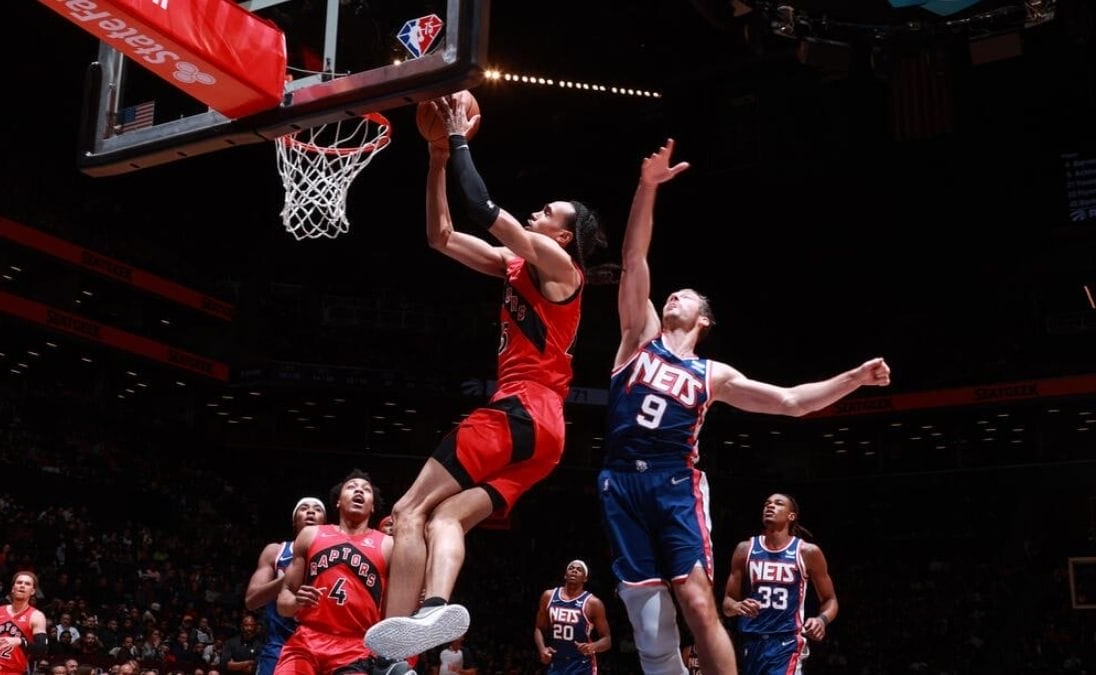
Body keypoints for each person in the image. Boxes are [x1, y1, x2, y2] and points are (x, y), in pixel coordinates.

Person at [599, 139, 889, 675]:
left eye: (683, 297)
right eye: (671, 295)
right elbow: (634, 258)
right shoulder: (638, 338)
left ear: (704, 319)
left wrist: (856, 378)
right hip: (619, 481)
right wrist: (647, 188)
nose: (672, 299)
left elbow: (791, 402)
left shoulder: (714, 375)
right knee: (647, 616)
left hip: (672, 483)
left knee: (697, 601)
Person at [364, 92, 607, 660]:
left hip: (522, 407)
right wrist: (435, 163)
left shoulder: (562, 269)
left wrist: (457, 139)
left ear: (564, 237)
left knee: (406, 511)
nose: (536, 215)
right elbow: (441, 237)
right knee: (447, 515)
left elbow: (479, 206)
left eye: (548, 213)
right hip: (545, 437)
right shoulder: (516, 265)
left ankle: (389, 656)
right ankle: (430, 615)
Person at [274, 470, 401, 675]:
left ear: (373, 506)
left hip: (357, 646)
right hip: (307, 639)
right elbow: (283, 603)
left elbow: (394, 606)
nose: (359, 490)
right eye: (351, 487)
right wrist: (296, 602)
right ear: (338, 502)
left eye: (366, 490)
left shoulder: (388, 545)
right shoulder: (310, 535)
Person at [722, 494, 838, 675]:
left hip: (786, 644)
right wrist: (737, 606)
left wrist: (821, 620)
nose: (770, 506)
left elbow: (830, 600)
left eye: (778, 503)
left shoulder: (807, 552)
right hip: (751, 644)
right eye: (767, 503)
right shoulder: (745, 549)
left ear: (791, 516)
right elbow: (727, 605)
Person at [245, 497, 328, 675]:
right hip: (279, 646)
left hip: (321, 646)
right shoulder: (276, 551)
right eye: (304, 508)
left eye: (317, 509)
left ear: (325, 523)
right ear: (294, 520)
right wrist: (289, 578)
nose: (311, 511)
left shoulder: (335, 554)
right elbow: (251, 601)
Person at [533, 560, 612, 675]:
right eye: (571, 568)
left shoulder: (593, 603)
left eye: (579, 570)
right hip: (556, 662)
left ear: (585, 578)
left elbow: (607, 640)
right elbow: (538, 628)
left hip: (581, 664)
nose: (574, 570)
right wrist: (542, 650)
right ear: (565, 575)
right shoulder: (548, 596)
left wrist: (592, 646)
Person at [0, 572, 49, 675]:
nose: (22, 585)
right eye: (19, 582)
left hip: (12, 671)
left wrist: (20, 641)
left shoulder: (36, 616)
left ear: (33, 591)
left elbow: (42, 648)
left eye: (27, 584)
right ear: (13, 588)